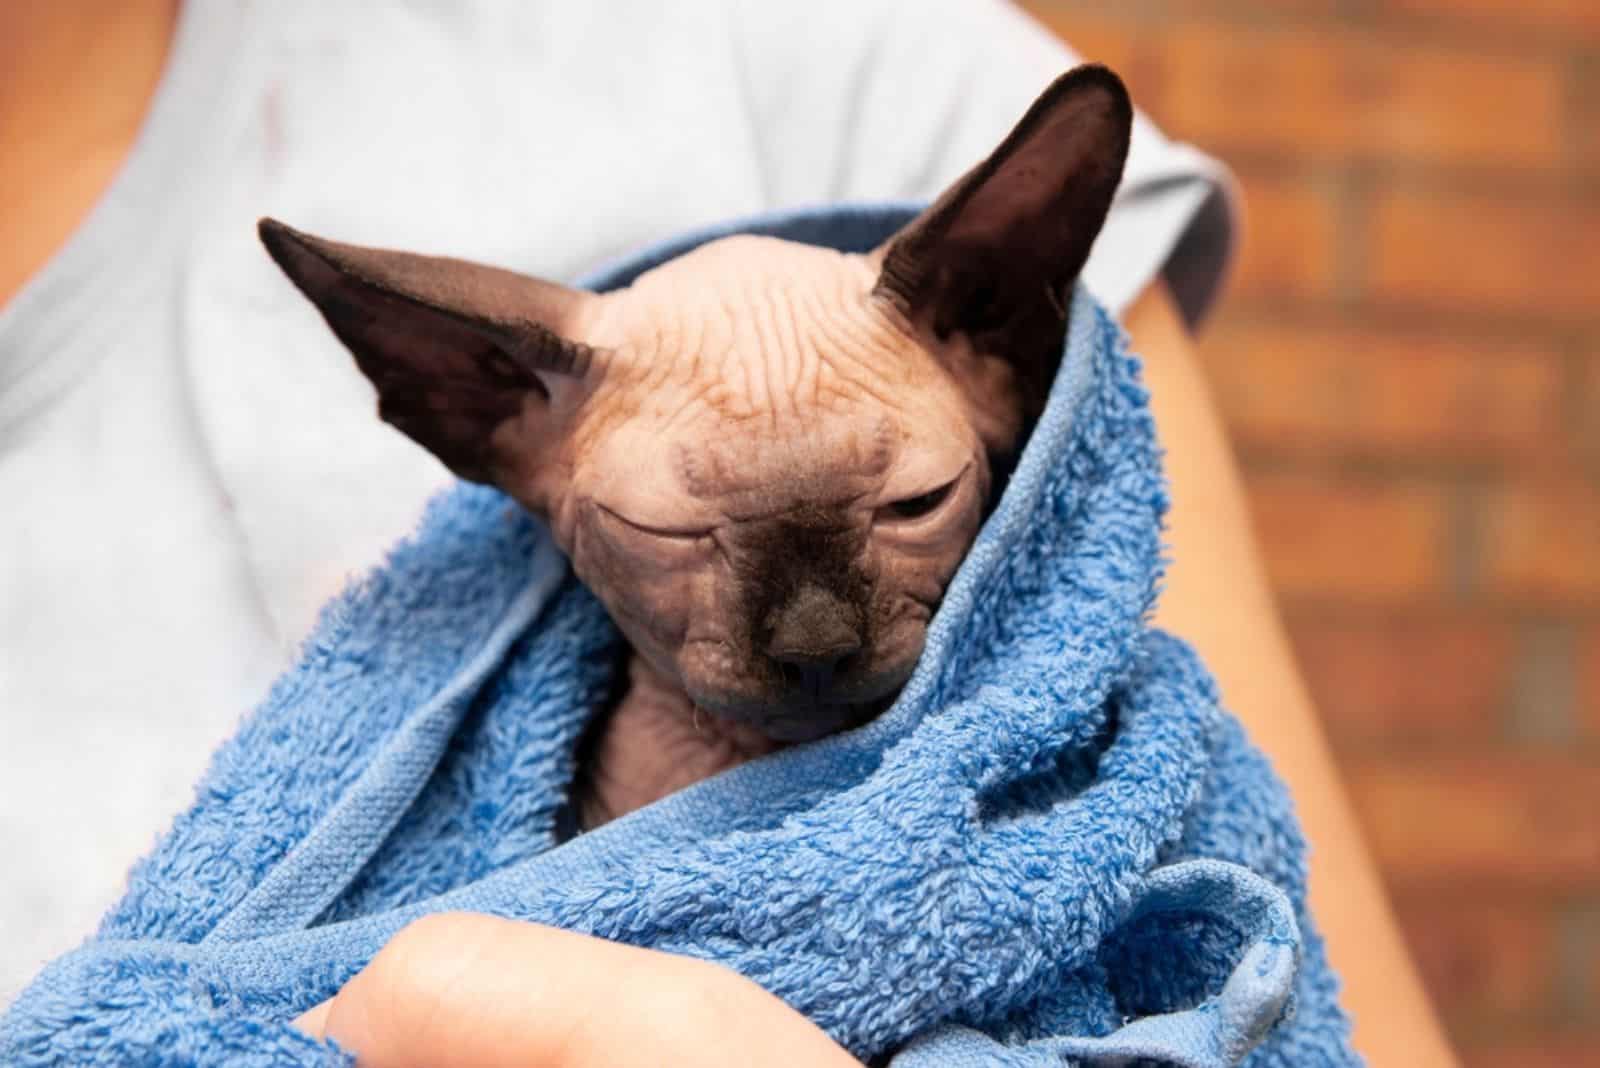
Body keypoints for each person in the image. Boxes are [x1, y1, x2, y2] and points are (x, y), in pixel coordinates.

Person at [0, 1, 1457, 1063]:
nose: (814, 634)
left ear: (1002, 332)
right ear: (474, 400)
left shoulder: (851, 66)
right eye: (678, 530)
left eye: (906, 507)